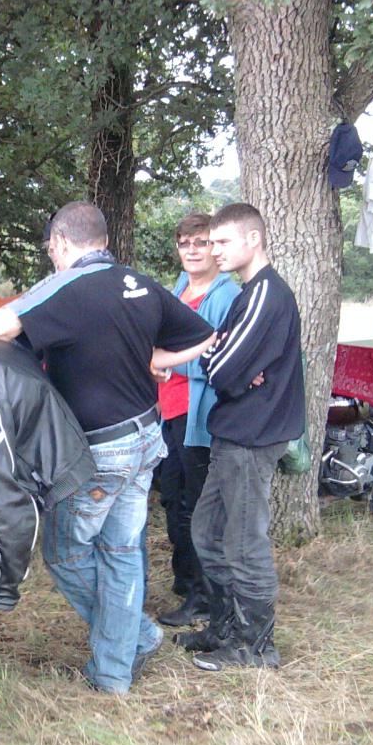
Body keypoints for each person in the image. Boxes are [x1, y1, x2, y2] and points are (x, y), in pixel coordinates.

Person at [0, 200, 215, 693]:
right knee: (122, 551)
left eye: (51, 251)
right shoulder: (140, 283)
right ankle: (112, 673)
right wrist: (160, 359)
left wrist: (42, 291)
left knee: (65, 553)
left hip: (99, 451)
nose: (52, 260)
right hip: (146, 439)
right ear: (104, 241)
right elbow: (202, 334)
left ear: (62, 243)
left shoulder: (68, 286)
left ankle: (136, 637)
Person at [180, 202, 304, 671]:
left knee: (244, 543)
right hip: (231, 436)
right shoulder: (247, 295)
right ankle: (225, 626)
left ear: (253, 239)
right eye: (211, 242)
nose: (214, 250)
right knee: (207, 532)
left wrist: (231, 366)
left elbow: (223, 369)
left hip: (253, 439)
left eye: (222, 241)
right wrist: (228, 364)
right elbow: (216, 355)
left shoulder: (265, 295)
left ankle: (254, 647)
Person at [154, 215, 241, 627]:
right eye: (185, 242)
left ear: (214, 250)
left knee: (194, 506)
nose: (191, 250)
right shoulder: (179, 288)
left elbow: (224, 359)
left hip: (198, 416)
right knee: (171, 498)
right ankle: (185, 579)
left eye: (201, 243)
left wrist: (173, 367)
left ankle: (202, 596)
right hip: (168, 412)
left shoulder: (226, 297)